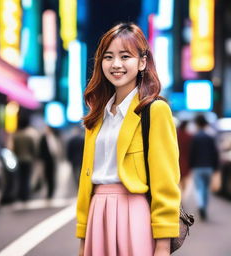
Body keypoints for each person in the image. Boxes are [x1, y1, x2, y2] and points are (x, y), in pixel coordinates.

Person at [76, 23, 181, 256]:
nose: (116, 64)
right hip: (97, 214)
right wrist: (83, 237)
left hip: (134, 214)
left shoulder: (155, 111)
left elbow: (166, 183)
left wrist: (163, 246)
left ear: (142, 62)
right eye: (108, 57)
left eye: (125, 56)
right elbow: (87, 182)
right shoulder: (96, 115)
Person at [189, 114, 219, 220]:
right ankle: (204, 207)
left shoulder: (195, 137)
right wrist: (215, 168)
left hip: (197, 167)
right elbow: (215, 153)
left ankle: (201, 206)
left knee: (199, 188)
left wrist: (190, 166)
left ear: (197, 124)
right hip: (209, 167)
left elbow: (192, 153)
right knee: (206, 189)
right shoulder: (210, 137)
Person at [12, 115, 35, 201]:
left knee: (20, 178)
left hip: (19, 160)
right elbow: (33, 148)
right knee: (27, 178)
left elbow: (14, 149)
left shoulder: (16, 136)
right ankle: (26, 195)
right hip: (28, 159)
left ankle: (20, 195)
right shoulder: (29, 136)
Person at [39, 125, 61, 199]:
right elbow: (41, 149)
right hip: (46, 160)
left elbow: (56, 148)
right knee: (47, 176)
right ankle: (49, 192)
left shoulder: (53, 137)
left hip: (52, 159)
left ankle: (52, 192)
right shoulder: (43, 138)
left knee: (52, 176)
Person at [177, 120, 192, 194]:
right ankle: (183, 193)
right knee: (185, 180)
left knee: (178, 179)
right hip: (186, 160)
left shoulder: (176, 134)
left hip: (176, 159)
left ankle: (180, 193)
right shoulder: (189, 136)